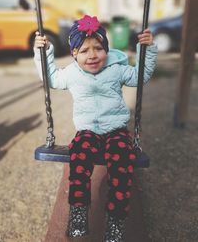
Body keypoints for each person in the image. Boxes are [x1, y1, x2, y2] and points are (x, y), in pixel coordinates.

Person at [34, 15, 158, 242]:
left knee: (122, 158)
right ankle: (79, 211)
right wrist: (44, 51)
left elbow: (141, 75)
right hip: (88, 130)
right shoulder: (71, 74)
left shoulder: (117, 69)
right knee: (79, 156)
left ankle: (116, 219)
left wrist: (147, 50)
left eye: (98, 48)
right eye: (84, 51)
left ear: (106, 49)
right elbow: (50, 78)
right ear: (74, 54)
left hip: (116, 129)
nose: (92, 55)